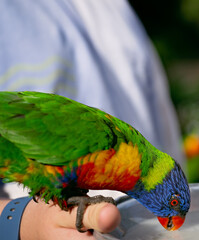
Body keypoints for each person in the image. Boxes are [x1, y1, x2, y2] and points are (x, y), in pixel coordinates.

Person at [0, 0, 185, 239]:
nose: (171, 219)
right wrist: (22, 223)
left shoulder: (116, 8)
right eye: (172, 201)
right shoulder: (116, 150)